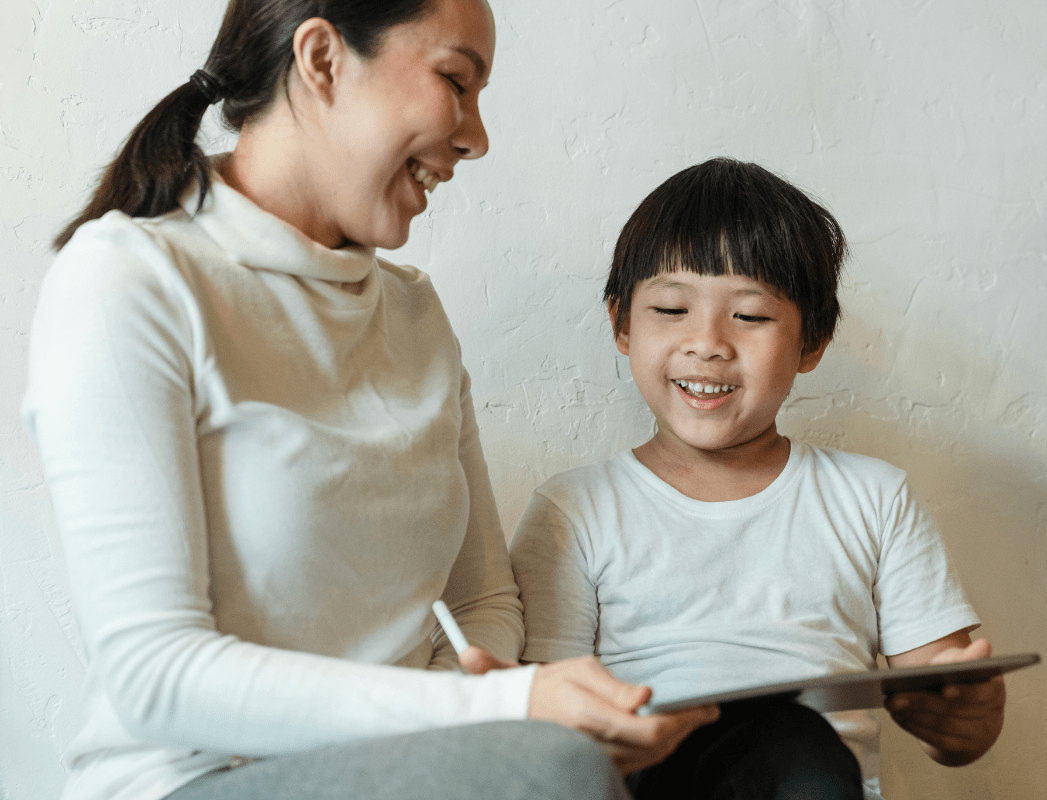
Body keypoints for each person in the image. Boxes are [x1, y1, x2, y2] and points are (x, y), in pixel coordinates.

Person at [23, 2, 717, 799]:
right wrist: (497, 708)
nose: (475, 135)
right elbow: (156, 676)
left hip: (412, 768)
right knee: (547, 768)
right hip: (192, 779)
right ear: (321, 60)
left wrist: (489, 710)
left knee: (767, 751)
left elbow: (483, 599)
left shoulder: (415, 314)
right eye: (456, 80)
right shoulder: (129, 280)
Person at [509, 158, 1008, 800]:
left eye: (750, 317)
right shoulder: (573, 508)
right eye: (670, 308)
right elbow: (543, 726)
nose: (708, 343)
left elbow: (949, 708)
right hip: (648, 783)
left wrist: (967, 719)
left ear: (812, 342)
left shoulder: (872, 498)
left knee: (796, 743)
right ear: (622, 325)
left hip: (818, 781)